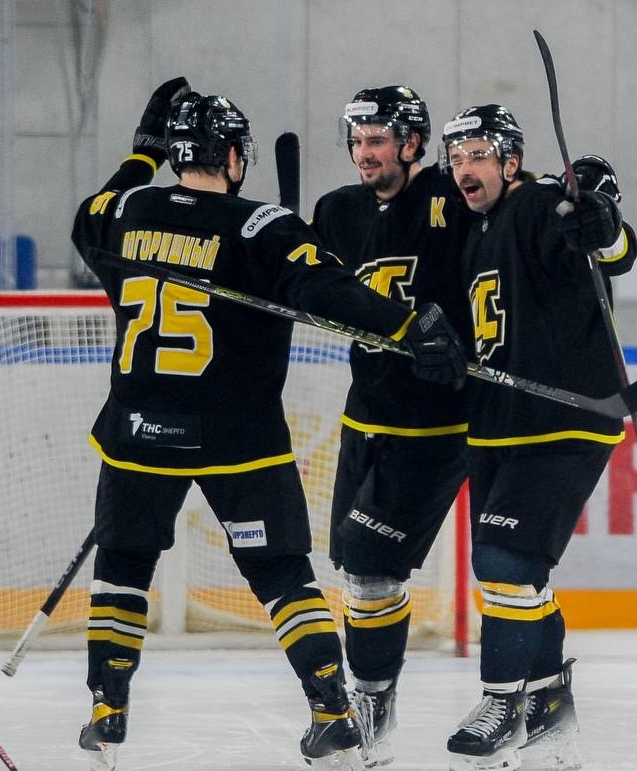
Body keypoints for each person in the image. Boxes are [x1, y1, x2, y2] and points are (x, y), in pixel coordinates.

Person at [70, 78, 467, 771]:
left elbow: (89, 218)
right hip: (238, 437)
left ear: (173, 152)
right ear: (231, 156)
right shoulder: (260, 226)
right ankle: (331, 711)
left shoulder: (126, 209)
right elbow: (330, 292)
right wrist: (407, 327)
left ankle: (107, 709)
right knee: (283, 575)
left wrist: (140, 154)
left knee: (123, 565)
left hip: (137, 430)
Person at [439, 105, 635, 771]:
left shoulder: (539, 202)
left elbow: (612, 248)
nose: (464, 168)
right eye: (455, 158)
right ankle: (551, 709)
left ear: (511, 160)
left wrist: (603, 224)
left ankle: (502, 703)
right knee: (516, 574)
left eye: (477, 155)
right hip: (499, 424)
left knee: (504, 562)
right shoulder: (476, 230)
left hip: (563, 418)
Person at [310, 85, 471, 767]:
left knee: (372, 563)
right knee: (354, 569)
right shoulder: (337, 211)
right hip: (364, 416)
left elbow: (517, 225)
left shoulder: (450, 196)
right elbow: (309, 286)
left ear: (411, 143)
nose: (363, 152)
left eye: (376, 140)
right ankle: (374, 695)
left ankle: (371, 707)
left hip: (435, 424)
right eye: (356, 140)